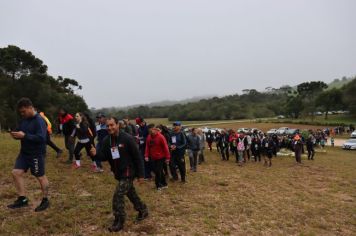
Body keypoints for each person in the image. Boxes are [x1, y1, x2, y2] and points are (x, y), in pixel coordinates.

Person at [90, 117, 148, 232]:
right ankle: (143, 210)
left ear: (118, 125)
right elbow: (104, 157)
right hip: (118, 172)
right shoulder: (107, 140)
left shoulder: (127, 138)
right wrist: (95, 155)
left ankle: (119, 221)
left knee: (118, 195)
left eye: (112, 125)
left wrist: (141, 175)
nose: (110, 128)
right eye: (108, 126)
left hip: (128, 171)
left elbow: (137, 157)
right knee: (130, 193)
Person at [7, 98, 50, 212]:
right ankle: (23, 199)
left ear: (30, 107)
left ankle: (45, 200)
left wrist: (24, 136)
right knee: (16, 173)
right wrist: (15, 134)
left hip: (36, 153)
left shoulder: (39, 120)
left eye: (23, 111)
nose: (22, 114)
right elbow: (20, 131)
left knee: (40, 176)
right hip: (24, 153)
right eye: (21, 112)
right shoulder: (24, 119)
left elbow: (42, 138)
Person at [145, 124, 170, 190]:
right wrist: (146, 155)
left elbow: (165, 147)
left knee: (158, 171)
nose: (151, 132)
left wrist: (168, 157)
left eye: (152, 130)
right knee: (159, 171)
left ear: (155, 129)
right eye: (149, 131)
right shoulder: (149, 137)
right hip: (153, 157)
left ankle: (158, 185)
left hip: (161, 157)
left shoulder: (161, 137)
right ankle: (164, 183)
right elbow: (147, 147)